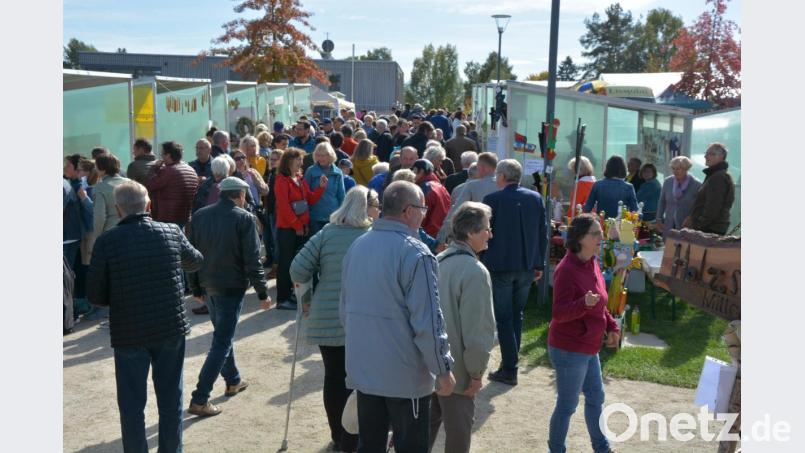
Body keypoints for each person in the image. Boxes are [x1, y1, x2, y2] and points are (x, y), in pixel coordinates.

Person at [86, 181, 203, 452]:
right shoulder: (171, 232)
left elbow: (95, 295)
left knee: (131, 405)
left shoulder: (107, 241)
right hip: (169, 327)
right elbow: (196, 261)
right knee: (170, 399)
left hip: (129, 331)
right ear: (148, 205)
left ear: (118, 209)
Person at [340, 181, 456, 452]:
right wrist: (442, 369)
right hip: (405, 378)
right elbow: (428, 321)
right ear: (407, 211)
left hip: (365, 370)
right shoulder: (417, 253)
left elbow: (345, 311)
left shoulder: (358, 246)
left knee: (369, 445)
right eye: (422, 209)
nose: (424, 215)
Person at [289, 186, 380, 453]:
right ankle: (357, 437)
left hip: (327, 319)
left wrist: (306, 299)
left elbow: (297, 269)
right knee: (362, 380)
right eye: (376, 204)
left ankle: (339, 438)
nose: (379, 210)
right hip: (363, 320)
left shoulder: (326, 233)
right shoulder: (373, 235)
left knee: (334, 378)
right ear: (366, 207)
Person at [187, 177, 272, 417]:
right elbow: (253, 259)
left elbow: (191, 256)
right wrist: (263, 292)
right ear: (241, 195)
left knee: (223, 335)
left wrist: (195, 288)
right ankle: (200, 397)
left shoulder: (201, 215)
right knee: (222, 342)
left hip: (207, 285)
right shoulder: (244, 218)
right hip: (230, 287)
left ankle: (233, 380)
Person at [547, 213, 620, 453]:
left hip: (588, 346)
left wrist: (611, 325)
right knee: (567, 405)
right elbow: (559, 313)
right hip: (569, 348)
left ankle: (601, 447)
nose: (601, 237)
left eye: (601, 232)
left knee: (596, 398)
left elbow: (600, 302)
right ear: (579, 238)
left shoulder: (593, 262)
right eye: (596, 233)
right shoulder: (565, 270)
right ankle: (556, 449)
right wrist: (583, 304)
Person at [429, 202, 496, 453]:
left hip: (429, 365)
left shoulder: (436, 261)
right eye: (486, 229)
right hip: (457, 372)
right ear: (470, 233)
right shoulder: (475, 271)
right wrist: (477, 373)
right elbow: (477, 330)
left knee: (424, 429)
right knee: (458, 436)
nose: (490, 234)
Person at [482, 159, 547, 386]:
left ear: (502, 176)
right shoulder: (535, 198)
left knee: (505, 318)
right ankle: (510, 364)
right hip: (527, 266)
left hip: (501, 266)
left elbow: (485, 233)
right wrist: (539, 264)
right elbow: (542, 233)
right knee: (515, 316)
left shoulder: (492, 200)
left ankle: (509, 367)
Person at [275, 148, 328, 310]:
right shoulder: (281, 180)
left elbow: (310, 199)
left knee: (294, 262)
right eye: (298, 159)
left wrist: (320, 187)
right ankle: (282, 299)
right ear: (289, 161)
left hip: (299, 228)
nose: (301, 162)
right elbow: (284, 207)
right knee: (285, 263)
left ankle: (289, 293)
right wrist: (297, 225)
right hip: (287, 229)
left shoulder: (299, 178)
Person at [437, 152, 499, 245]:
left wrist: (441, 237)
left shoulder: (472, 185)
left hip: (478, 235)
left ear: (482, 168)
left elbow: (456, 211)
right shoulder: (503, 186)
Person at [684, 143, 736, 235]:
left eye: (711, 154)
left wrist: (699, 225)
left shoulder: (718, 177)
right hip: (710, 228)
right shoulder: (714, 175)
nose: (705, 156)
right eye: (706, 153)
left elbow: (713, 206)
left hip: (710, 229)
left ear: (721, 157)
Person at [144, 141, 199, 228]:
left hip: (167, 219)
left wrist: (154, 168)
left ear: (168, 155)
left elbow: (148, 185)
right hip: (184, 218)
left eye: (162, 154)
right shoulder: (191, 170)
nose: (161, 156)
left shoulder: (169, 171)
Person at [304, 142, 346, 235]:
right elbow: (305, 194)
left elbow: (341, 195)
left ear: (330, 155)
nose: (321, 158)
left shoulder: (338, 172)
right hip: (315, 216)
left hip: (333, 216)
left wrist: (343, 214)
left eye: (324, 155)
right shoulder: (310, 171)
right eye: (318, 155)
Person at [656, 156, 702, 236]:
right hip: (669, 223)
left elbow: (699, 205)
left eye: (678, 169)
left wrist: (691, 217)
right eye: (673, 168)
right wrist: (659, 218)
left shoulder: (696, 184)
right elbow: (662, 201)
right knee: (669, 246)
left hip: (686, 226)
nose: (675, 171)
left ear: (685, 169)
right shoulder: (668, 181)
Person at [91, 153, 129, 242]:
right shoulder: (131, 183)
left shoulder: (99, 188)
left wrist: (97, 237)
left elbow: (99, 216)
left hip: (111, 233)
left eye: (96, 166)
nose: (95, 169)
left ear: (102, 169)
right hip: (131, 230)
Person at [412, 159, 451, 238]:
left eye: (414, 171)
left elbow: (420, 217)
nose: (412, 174)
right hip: (442, 234)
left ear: (421, 171)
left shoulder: (424, 189)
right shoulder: (441, 187)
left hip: (427, 235)